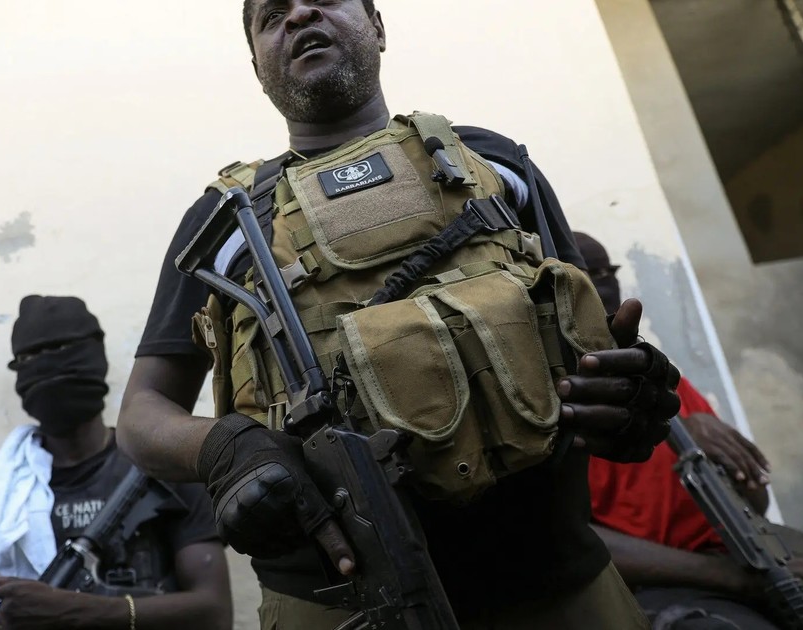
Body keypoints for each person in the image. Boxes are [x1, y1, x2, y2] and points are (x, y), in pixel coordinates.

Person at [117, 2, 682, 628]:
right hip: (343, 602)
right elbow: (141, 415)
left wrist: (628, 390)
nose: (301, 13)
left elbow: (589, 337)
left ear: (378, 27)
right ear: (257, 66)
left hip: (558, 580)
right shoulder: (225, 221)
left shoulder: (493, 163)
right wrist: (225, 448)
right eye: (273, 15)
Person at [0, 295, 231, 630]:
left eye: (62, 350)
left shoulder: (164, 467)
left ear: (94, 357)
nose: (48, 366)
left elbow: (214, 613)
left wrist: (76, 610)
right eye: (30, 357)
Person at [578, 231, 803, 629]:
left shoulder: (663, 381)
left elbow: (757, 502)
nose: (603, 286)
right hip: (663, 582)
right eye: (585, 276)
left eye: (605, 272)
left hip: (739, 553)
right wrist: (734, 579)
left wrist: (714, 452)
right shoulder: (559, 399)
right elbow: (577, 544)